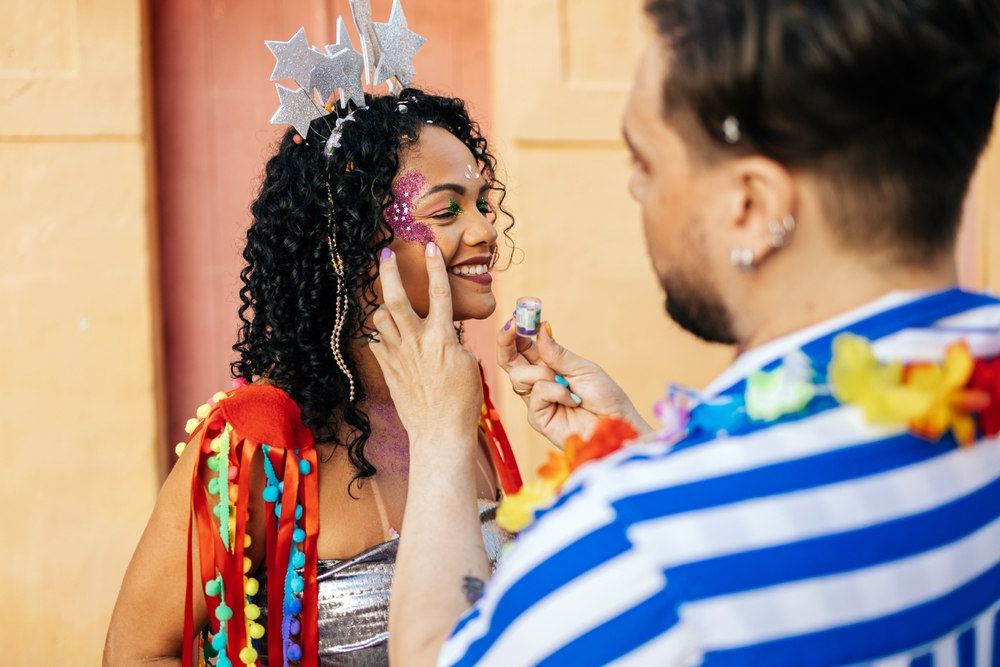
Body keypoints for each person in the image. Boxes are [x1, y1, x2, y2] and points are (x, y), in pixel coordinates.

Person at [369, 0, 1000, 665]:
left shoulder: (637, 549)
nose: (637, 190)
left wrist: (440, 433)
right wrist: (636, 449)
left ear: (751, 207)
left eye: (645, 161)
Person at [102, 90, 521, 667]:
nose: (484, 231)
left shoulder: (464, 403)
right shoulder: (257, 439)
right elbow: (136, 653)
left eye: (483, 203)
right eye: (447, 211)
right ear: (351, 243)